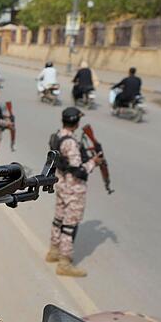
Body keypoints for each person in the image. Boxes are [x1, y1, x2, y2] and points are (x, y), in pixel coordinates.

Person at [45, 107, 103, 277]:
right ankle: (64, 263)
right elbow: (78, 170)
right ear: (76, 122)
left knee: (58, 220)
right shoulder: (70, 142)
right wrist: (94, 162)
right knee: (70, 226)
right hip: (73, 188)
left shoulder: (58, 135)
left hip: (61, 184)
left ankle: (53, 251)